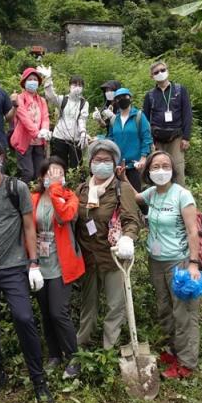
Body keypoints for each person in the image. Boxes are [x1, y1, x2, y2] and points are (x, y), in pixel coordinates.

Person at [0, 137, 53, 403]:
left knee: (24, 318)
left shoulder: (17, 188)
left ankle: (38, 380)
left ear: (3, 157)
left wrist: (33, 262)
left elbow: (29, 227)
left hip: (14, 267)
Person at [135, 150, 201, 379]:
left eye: (165, 166)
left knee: (183, 312)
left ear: (173, 169)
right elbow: (135, 198)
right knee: (164, 308)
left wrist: (193, 263)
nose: (160, 171)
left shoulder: (182, 195)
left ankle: (187, 362)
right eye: (155, 167)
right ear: (148, 171)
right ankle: (172, 350)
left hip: (179, 261)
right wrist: (122, 178)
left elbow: (194, 231)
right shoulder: (151, 193)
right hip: (156, 261)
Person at [74, 140, 140, 350]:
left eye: (106, 160)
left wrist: (128, 238)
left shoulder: (122, 188)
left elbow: (131, 220)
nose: (101, 164)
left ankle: (108, 348)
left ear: (114, 163)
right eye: (97, 159)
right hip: (87, 256)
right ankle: (81, 344)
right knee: (88, 304)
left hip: (112, 257)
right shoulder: (82, 189)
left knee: (115, 304)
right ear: (91, 162)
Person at [30, 156, 85, 378]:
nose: (54, 177)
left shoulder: (70, 197)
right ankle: (54, 355)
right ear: (41, 176)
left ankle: (75, 357)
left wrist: (55, 189)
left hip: (62, 264)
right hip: (39, 264)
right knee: (45, 313)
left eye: (59, 173)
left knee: (58, 311)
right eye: (49, 173)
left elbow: (65, 215)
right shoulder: (33, 198)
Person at [142, 61, 192, 186]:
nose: (160, 73)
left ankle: (181, 200)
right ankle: (158, 199)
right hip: (156, 139)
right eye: (156, 72)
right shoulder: (150, 95)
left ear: (167, 70)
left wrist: (186, 137)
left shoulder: (180, 90)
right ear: (152, 76)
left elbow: (187, 113)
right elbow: (145, 119)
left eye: (162, 70)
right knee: (157, 170)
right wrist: (149, 141)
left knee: (178, 169)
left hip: (176, 137)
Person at [105, 88, 152, 191]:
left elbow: (146, 138)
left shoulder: (139, 116)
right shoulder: (114, 120)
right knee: (119, 196)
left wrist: (143, 158)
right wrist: (98, 139)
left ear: (130, 98)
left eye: (125, 96)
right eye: (118, 98)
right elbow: (110, 139)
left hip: (136, 166)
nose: (122, 99)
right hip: (119, 166)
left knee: (137, 196)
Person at [10, 67, 50, 183]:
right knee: (27, 173)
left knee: (39, 173)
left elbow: (45, 117)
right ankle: (22, 198)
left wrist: (45, 130)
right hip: (24, 141)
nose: (33, 81)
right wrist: (37, 132)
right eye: (30, 79)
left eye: (35, 79)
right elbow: (23, 117)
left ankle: (36, 199)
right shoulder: (19, 98)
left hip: (38, 142)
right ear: (24, 82)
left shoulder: (41, 100)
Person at [42, 70, 89, 169]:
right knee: (58, 165)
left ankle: (74, 184)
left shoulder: (84, 103)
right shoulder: (63, 99)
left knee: (76, 166)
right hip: (59, 137)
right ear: (70, 86)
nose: (77, 87)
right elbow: (51, 97)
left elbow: (82, 119)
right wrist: (48, 80)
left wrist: (83, 132)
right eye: (74, 84)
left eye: (80, 85)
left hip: (75, 139)